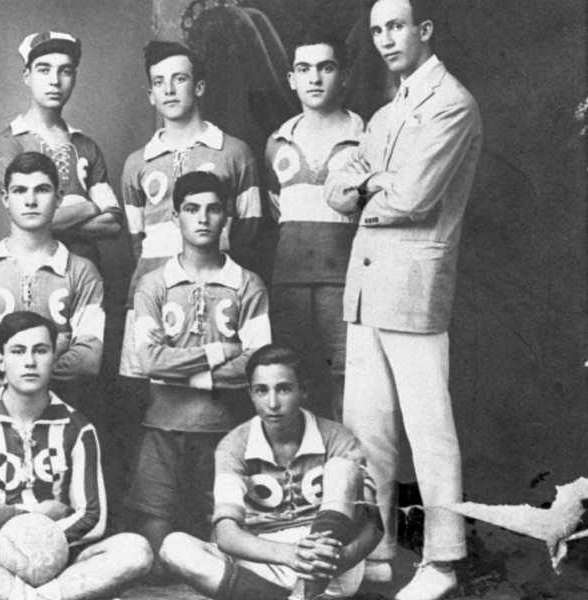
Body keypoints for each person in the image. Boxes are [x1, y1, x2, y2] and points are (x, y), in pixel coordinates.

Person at [324, 0, 483, 597]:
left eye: (396, 26)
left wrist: (368, 188)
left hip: (415, 287)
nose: (386, 39)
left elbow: (413, 198)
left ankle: (442, 562)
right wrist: (373, 181)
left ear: (425, 30)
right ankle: (378, 551)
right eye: (376, 30)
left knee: (429, 430)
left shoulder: (452, 104)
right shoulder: (387, 114)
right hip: (367, 289)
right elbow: (336, 189)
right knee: (367, 431)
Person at [0, 311, 152, 600]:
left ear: (54, 358)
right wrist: (34, 515)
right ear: (1, 360)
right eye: (18, 351)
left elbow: (93, 518)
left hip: (61, 560)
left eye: (40, 350)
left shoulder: (78, 428)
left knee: (136, 549)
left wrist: (45, 539)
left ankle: (30, 596)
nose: (30, 361)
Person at [125, 170, 270, 581]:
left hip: (224, 429)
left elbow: (257, 365)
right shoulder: (153, 284)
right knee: (156, 555)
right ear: (175, 217)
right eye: (192, 209)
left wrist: (182, 371)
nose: (203, 218)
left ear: (227, 217)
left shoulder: (247, 284)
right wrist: (218, 352)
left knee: (223, 535)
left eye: (213, 209)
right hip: (162, 426)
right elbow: (149, 361)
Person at [159, 345, 383, 600]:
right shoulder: (234, 446)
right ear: (250, 394)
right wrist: (290, 554)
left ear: (303, 390)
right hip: (267, 557)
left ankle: (309, 590)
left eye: (284, 389)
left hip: (331, 563)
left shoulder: (336, 436)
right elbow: (226, 534)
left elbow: (374, 522)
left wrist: (344, 556)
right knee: (174, 547)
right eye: (262, 390)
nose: (273, 403)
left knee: (342, 467)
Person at [118, 41, 262, 387]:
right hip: (152, 294)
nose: (168, 90)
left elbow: (249, 229)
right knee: (147, 387)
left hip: (217, 294)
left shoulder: (234, 152)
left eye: (179, 79)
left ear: (199, 87)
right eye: (159, 82)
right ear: (150, 94)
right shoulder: (137, 163)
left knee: (221, 378)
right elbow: (136, 238)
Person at [264, 32, 365, 421]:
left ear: (344, 76)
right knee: (292, 378)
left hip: (346, 281)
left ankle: (350, 459)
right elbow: (277, 209)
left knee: (348, 380)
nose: (315, 78)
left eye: (326, 67)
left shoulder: (366, 137)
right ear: (292, 79)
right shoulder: (277, 142)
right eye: (304, 69)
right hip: (289, 282)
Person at [0, 152, 104, 402]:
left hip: (59, 409)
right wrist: (52, 346)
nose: (30, 201)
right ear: (6, 198)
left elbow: (89, 359)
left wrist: (8, 358)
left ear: (58, 198)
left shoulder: (83, 272)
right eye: (20, 190)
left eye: (42, 190)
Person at [0, 32, 122, 271]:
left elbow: (113, 224)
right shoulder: (9, 143)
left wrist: (53, 219)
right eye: (44, 70)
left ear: (74, 78)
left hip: (87, 271)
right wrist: (90, 207)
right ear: (27, 76)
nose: (55, 81)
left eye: (65, 71)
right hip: (35, 269)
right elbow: (26, 219)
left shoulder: (86, 145)